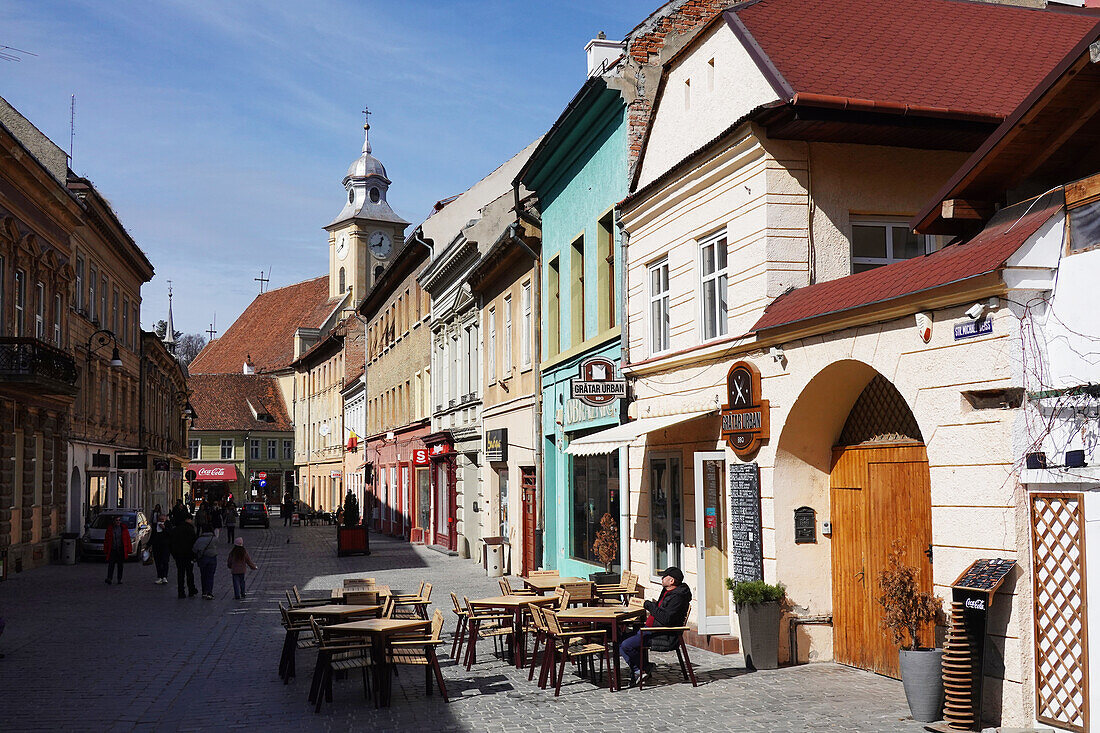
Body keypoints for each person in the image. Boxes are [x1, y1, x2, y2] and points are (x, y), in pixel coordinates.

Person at [618, 566, 692, 687]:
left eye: (665, 576)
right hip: (650, 629)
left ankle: (639, 670)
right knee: (619, 640)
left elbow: (666, 619)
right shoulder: (668, 592)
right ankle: (643, 668)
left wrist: (649, 605)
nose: (662, 578)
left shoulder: (677, 597)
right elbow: (661, 612)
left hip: (661, 634)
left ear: (671, 581)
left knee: (626, 645)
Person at [170, 517, 199, 598]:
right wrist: (194, 555)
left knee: (180, 573)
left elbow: (171, 543)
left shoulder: (175, 530)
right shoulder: (190, 529)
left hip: (179, 556)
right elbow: (195, 543)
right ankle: (191, 590)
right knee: (190, 573)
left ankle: (181, 592)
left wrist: (174, 554)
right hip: (189, 555)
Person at [103, 515, 132, 585]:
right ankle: (109, 578)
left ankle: (119, 579)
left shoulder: (123, 529)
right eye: (117, 520)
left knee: (120, 565)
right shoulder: (110, 529)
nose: (118, 522)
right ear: (114, 521)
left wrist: (129, 549)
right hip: (113, 549)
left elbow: (127, 539)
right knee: (111, 564)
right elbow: (107, 540)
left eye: (119, 520)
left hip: (120, 549)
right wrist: (106, 549)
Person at [193, 525, 219, 600]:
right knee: (210, 576)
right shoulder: (214, 539)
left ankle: (204, 592)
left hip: (203, 558)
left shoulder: (199, 539)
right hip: (212, 558)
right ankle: (209, 592)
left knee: (203, 575)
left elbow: (194, 548)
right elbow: (217, 545)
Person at [150, 504, 172, 584]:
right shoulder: (156, 526)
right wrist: (148, 545)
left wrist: (164, 528)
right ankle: (159, 576)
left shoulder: (168, 524)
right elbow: (152, 536)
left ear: (165, 519)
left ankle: (165, 576)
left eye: (163, 520)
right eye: (160, 520)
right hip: (156, 546)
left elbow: (171, 534)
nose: (161, 521)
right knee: (158, 562)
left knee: (165, 561)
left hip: (165, 546)